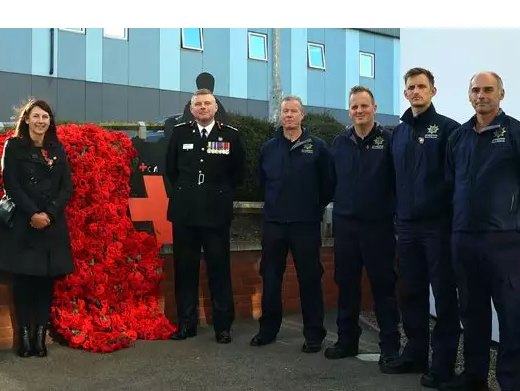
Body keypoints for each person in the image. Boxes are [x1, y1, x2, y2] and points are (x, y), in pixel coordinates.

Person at [442, 71, 520, 391]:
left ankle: (511, 387)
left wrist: (513, 216)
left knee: (510, 311)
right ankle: (473, 375)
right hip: (464, 238)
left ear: (501, 93)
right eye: (476, 89)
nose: (481, 95)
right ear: (469, 95)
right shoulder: (458, 137)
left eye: (488, 89)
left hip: (502, 241)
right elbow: (449, 182)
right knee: (471, 310)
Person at [380, 68, 462, 383]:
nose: (416, 92)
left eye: (421, 87)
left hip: (438, 227)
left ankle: (442, 364)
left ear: (433, 91)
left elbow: (457, 181)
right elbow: (391, 180)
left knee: (443, 296)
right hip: (408, 229)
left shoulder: (448, 130)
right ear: (405, 94)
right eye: (411, 87)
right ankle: (415, 355)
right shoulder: (397, 134)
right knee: (410, 293)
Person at [0, 99, 74, 357]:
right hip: (25, 225)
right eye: (36, 116)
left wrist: (49, 213)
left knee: (45, 284)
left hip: (51, 225)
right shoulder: (13, 146)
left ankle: (40, 337)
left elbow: (66, 187)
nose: (40, 121)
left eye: (45, 117)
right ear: (26, 119)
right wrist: (33, 214)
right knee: (24, 282)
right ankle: (25, 335)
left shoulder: (56, 148)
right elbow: (11, 185)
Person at [324, 86, 401, 366]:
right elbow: (331, 181)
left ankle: (390, 346)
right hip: (346, 225)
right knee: (346, 284)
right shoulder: (340, 142)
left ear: (374, 108)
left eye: (364, 106)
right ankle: (347, 340)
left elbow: (398, 181)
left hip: (378, 226)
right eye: (354, 107)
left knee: (383, 286)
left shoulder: (389, 140)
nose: (359, 111)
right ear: (349, 111)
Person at [251, 95, 333, 353]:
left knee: (309, 278)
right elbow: (262, 184)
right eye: (285, 111)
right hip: (274, 224)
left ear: (302, 115)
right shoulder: (268, 148)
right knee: (271, 277)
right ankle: (267, 330)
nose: (288, 115)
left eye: (293, 111)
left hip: (305, 224)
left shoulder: (317, 147)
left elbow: (328, 184)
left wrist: (311, 207)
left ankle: (314, 334)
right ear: (280, 115)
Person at [165, 88, 246, 343]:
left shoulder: (229, 136)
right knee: (185, 270)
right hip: (185, 214)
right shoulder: (180, 133)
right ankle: (186, 324)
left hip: (215, 214)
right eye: (198, 104)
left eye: (207, 104)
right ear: (191, 109)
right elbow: (171, 170)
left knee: (219, 271)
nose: (202, 108)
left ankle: (223, 326)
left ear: (215, 108)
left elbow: (238, 174)